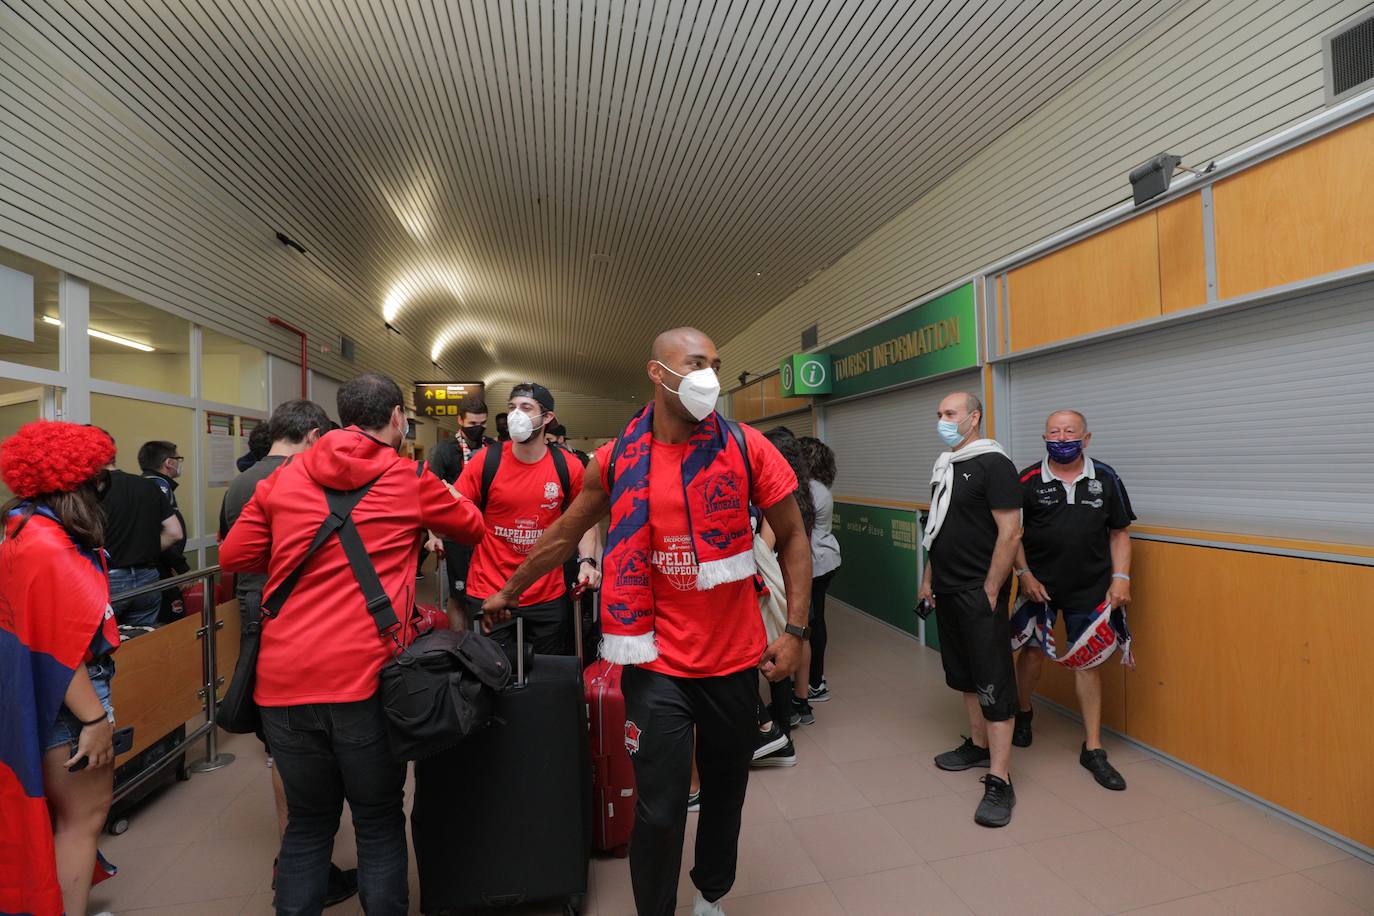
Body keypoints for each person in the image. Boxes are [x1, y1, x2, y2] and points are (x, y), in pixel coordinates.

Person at [483, 328, 811, 916]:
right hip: (653, 661)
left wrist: (795, 632)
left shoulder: (745, 447)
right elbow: (563, 533)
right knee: (658, 811)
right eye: (697, 363)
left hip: (734, 660)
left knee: (726, 793)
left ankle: (711, 894)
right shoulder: (617, 458)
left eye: (716, 363)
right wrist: (509, 588)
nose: (711, 375)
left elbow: (793, 538)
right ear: (658, 373)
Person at [220, 373, 485, 916]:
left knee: (309, 824)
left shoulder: (283, 480)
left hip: (284, 681)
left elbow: (235, 555)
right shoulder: (408, 477)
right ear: (395, 418)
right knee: (379, 820)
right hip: (365, 681)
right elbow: (472, 526)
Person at [218, 398, 358, 907]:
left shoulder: (240, 482)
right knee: (306, 736)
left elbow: (233, 550)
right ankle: (303, 854)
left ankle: (298, 849)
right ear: (314, 434)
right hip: (294, 614)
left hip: (252, 606)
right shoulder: (302, 480)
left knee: (280, 737)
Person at [0, 421, 121, 916]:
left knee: (59, 817)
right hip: (69, 702)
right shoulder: (51, 545)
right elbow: (61, 646)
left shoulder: (21, 528)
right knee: (82, 820)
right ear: (80, 480)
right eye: (99, 472)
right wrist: (94, 721)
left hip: (31, 693)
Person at [1013, 409, 1136, 790]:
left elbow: (1119, 533)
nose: (1062, 438)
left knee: (1088, 663)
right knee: (1031, 654)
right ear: (1044, 436)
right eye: (1054, 431)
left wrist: (1120, 579)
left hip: (1091, 587)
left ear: (1086, 438)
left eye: (1070, 432)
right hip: (1039, 587)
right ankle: (1023, 711)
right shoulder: (1028, 479)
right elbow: (1011, 535)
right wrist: (1024, 574)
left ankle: (1094, 748)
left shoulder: (1107, 477)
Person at [919, 391, 1021, 828]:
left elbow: (1011, 532)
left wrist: (993, 589)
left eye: (950, 413)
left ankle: (1000, 778)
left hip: (980, 592)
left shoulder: (994, 464)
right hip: (946, 588)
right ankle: (978, 745)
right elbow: (938, 530)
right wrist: (927, 581)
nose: (942, 420)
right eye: (939, 413)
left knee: (993, 677)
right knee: (963, 673)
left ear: (974, 417)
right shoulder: (947, 464)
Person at [457, 383, 601, 656]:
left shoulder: (567, 466)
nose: (515, 415)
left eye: (526, 408)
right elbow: (458, 506)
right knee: (491, 676)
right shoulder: (486, 461)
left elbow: (584, 520)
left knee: (547, 674)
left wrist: (587, 561)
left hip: (546, 593)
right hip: (490, 590)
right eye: (511, 407)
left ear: (547, 418)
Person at [99, 439, 183, 628]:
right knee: (143, 641)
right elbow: (174, 532)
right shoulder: (147, 485)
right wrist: (146, 550)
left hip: (111, 578)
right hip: (147, 576)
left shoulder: (94, 491)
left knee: (107, 643)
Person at [798, 436, 841, 703]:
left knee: (811, 622)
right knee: (816, 620)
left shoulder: (810, 490)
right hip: (825, 560)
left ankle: (814, 682)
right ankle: (813, 679)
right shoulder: (819, 487)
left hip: (814, 564)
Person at [139, 440, 191, 619]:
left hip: (153, 566)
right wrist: (179, 567)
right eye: (178, 458)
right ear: (169, 462)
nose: (179, 463)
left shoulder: (143, 483)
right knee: (171, 620)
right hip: (161, 568)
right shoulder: (160, 486)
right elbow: (162, 531)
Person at [424, 430, 469, 623]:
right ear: (461, 420)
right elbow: (429, 497)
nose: (478, 427)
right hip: (451, 536)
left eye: (482, 422)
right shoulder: (444, 451)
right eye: (473, 423)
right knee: (452, 597)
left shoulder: (488, 449)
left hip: (477, 537)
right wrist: (432, 535)